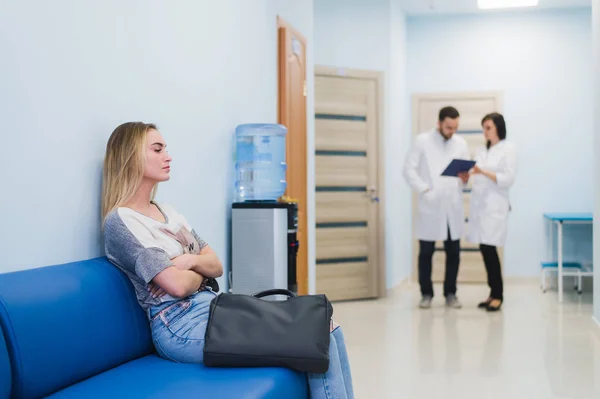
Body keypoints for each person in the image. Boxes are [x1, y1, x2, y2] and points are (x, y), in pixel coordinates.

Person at [101, 122, 355, 399]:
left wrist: (186, 261)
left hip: (213, 307)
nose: (168, 156)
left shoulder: (168, 212)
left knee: (328, 328)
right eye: (157, 149)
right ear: (130, 156)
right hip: (179, 325)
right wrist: (195, 264)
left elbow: (216, 265)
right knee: (314, 335)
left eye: (166, 149)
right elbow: (176, 286)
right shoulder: (122, 221)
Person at [403, 106, 470, 309]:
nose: (452, 131)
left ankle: (451, 293)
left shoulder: (461, 143)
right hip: (431, 204)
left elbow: (463, 174)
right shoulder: (422, 141)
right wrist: (424, 189)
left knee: (454, 252)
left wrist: (464, 179)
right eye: (449, 127)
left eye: (455, 127)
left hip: (452, 204)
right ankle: (426, 294)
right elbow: (408, 169)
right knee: (426, 253)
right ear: (439, 123)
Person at [466, 113, 517, 312]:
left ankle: (498, 295)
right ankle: (492, 293)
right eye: (483, 128)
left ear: (498, 128)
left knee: (490, 250)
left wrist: (482, 171)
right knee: (485, 249)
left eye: (488, 127)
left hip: (495, 205)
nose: (484, 131)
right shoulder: (481, 149)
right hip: (481, 206)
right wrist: (467, 173)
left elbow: (508, 178)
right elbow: (476, 173)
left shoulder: (508, 149)